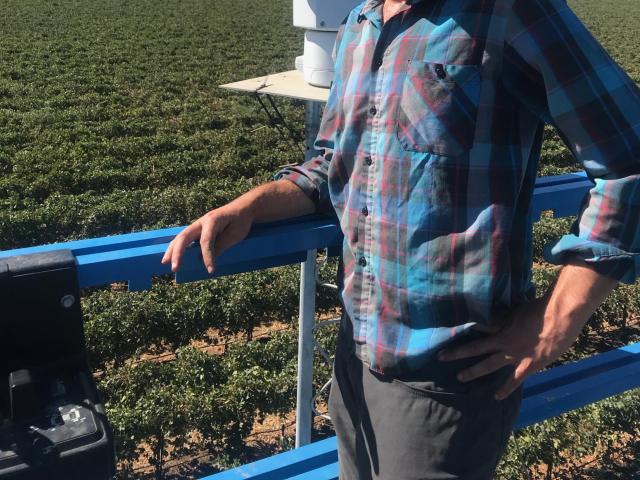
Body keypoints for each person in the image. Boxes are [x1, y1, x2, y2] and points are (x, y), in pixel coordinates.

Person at [162, 0, 640, 477]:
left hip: (448, 372)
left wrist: (556, 321)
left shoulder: (507, 13)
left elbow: (629, 159)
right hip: (356, 353)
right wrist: (250, 205)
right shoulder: (359, 25)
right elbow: (338, 161)